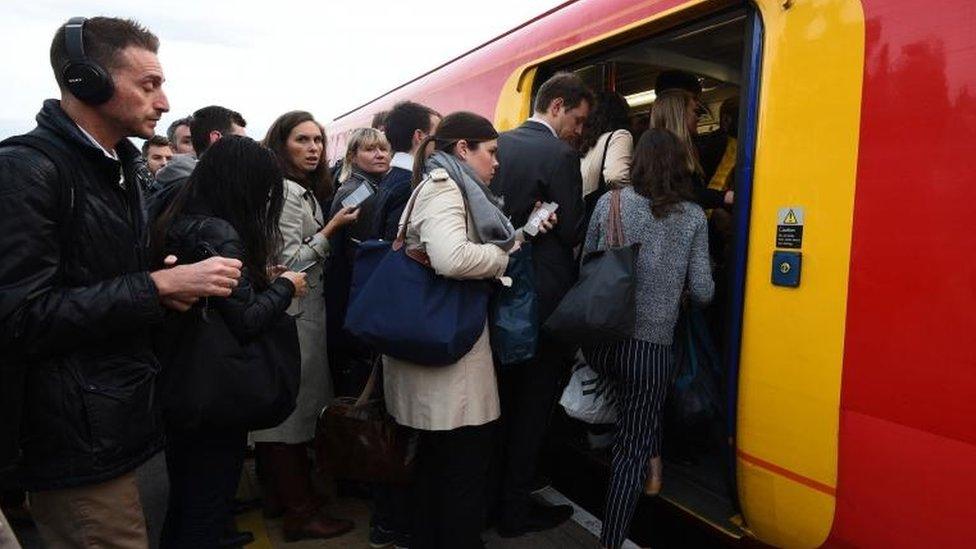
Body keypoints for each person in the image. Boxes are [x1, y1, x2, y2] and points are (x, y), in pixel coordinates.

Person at [0, 16, 242, 548]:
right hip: (78, 446)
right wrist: (155, 289)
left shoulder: (118, 167)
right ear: (87, 81)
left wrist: (163, 285)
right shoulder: (28, 170)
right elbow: (18, 317)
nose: (163, 102)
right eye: (149, 84)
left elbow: (100, 286)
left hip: (127, 419)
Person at [152, 136, 307, 548]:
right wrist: (287, 286)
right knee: (208, 504)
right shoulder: (221, 231)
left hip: (182, 382)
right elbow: (246, 319)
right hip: (217, 393)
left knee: (185, 500)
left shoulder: (177, 217)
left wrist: (259, 283)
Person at [386, 111, 517, 549]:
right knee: (461, 467)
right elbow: (451, 257)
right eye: (491, 152)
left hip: (437, 353)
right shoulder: (445, 188)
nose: (496, 163)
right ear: (464, 149)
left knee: (437, 465)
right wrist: (502, 258)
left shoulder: (438, 182)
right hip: (448, 357)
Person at [582, 128, 714, 549]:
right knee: (630, 448)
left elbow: (587, 260)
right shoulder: (693, 217)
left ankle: (652, 469)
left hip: (602, 343)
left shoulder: (610, 203)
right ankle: (611, 540)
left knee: (637, 402)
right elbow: (705, 290)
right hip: (648, 350)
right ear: (680, 168)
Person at [490, 71, 593, 537]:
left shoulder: (496, 145)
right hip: (541, 300)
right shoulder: (560, 153)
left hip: (494, 290)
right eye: (577, 119)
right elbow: (571, 229)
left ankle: (489, 502)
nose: (579, 131)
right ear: (556, 107)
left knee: (499, 405)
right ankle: (514, 510)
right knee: (532, 410)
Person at [252, 111, 358, 541]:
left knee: (290, 415)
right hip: (295, 317)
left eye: (318, 140)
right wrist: (331, 230)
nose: (314, 148)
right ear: (281, 145)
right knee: (291, 418)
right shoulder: (287, 192)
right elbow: (286, 262)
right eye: (302, 140)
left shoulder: (293, 190)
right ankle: (300, 511)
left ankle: (283, 500)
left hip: (299, 315)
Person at [150, 105, 246, 212]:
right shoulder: (169, 193)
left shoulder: (226, 185)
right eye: (188, 142)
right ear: (172, 149)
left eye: (198, 139)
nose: (196, 147)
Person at [370, 101, 441, 240]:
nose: (439, 141)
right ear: (419, 136)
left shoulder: (392, 177)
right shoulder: (411, 185)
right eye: (436, 134)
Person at [578, 91, 633, 224]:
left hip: (585, 216)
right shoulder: (620, 136)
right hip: (606, 217)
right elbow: (616, 176)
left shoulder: (588, 143)